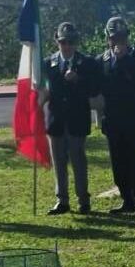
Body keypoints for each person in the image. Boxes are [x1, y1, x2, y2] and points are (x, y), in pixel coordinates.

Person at [97, 16, 135, 217]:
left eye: (121, 37)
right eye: (114, 38)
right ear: (108, 39)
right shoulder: (101, 60)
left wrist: (123, 61)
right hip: (113, 120)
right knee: (118, 163)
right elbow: (98, 86)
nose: (118, 42)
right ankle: (127, 200)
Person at [44, 22, 102, 215]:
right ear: (56, 41)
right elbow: (43, 89)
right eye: (63, 42)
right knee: (58, 160)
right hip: (56, 120)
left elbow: (94, 90)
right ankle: (62, 200)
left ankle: (83, 199)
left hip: (77, 118)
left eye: (70, 42)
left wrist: (78, 79)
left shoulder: (87, 63)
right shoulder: (47, 63)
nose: (67, 46)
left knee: (78, 158)